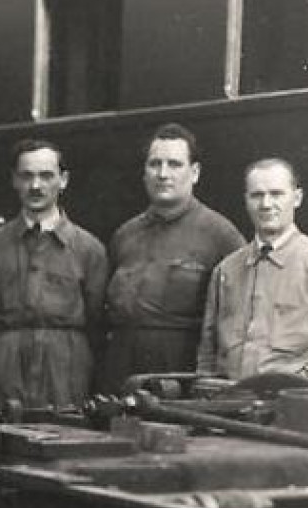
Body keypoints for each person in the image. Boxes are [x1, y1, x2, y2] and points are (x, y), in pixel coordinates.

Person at [0, 139, 108, 412]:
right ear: (14, 180)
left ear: (63, 180)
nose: (36, 186)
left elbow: (97, 322)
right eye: (27, 176)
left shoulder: (89, 249)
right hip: (1, 366)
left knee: (64, 436)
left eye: (46, 176)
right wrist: (0, 353)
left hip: (65, 368)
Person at [197, 158, 308, 385]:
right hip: (230, 408)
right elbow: (208, 355)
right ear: (246, 200)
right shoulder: (226, 271)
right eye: (257, 195)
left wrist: (292, 386)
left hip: (295, 409)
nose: (266, 204)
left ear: (296, 198)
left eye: (276, 194)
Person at [101, 123, 245, 392]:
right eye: (155, 164)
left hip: (180, 371)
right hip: (120, 368)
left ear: (195, 173)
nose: (163, 174)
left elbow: (235, 321)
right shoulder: (125, 234)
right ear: (144, 173)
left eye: (175, 164)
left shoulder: (221, 235)